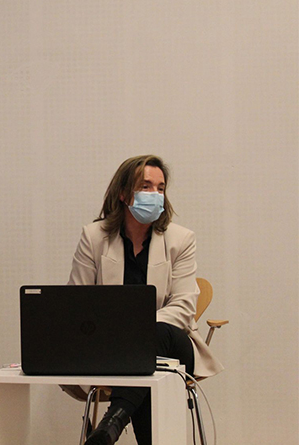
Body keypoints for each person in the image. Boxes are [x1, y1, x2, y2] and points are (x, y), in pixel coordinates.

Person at [68, 155, 223, 445]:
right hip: (111, 349)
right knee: (147, 374)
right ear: (123, 193)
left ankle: (111, 424)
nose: (155, 194)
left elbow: (183, 309)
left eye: (160, 188)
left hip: (173, 347)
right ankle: (114, 424)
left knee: (156, 335)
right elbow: (77, 303)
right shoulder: (94, 237)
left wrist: (135, 329)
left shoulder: (180, 239)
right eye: (146, 186)